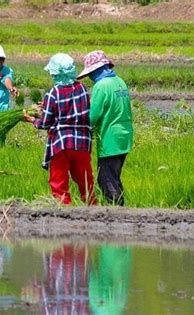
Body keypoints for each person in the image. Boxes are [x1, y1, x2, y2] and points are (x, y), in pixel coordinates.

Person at [23, 53, 96, 205]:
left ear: (56, 73)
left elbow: (45, 123)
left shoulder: (53, 93)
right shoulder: (82, 89)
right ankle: (92, 209)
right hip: (82, 143)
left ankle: (63, 211)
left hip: (61, 144)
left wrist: (32, 120)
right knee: (86, 182)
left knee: (59, 183)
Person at [77, 50, 133, 206]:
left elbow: (92, 117)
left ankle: (116, 213)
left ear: (95, 70)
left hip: (110, 139)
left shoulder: (101, 86)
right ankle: (119, 208)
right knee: (114, 176)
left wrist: (78, 125)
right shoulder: (119, 81)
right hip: (124, 136)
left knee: (106, 179)